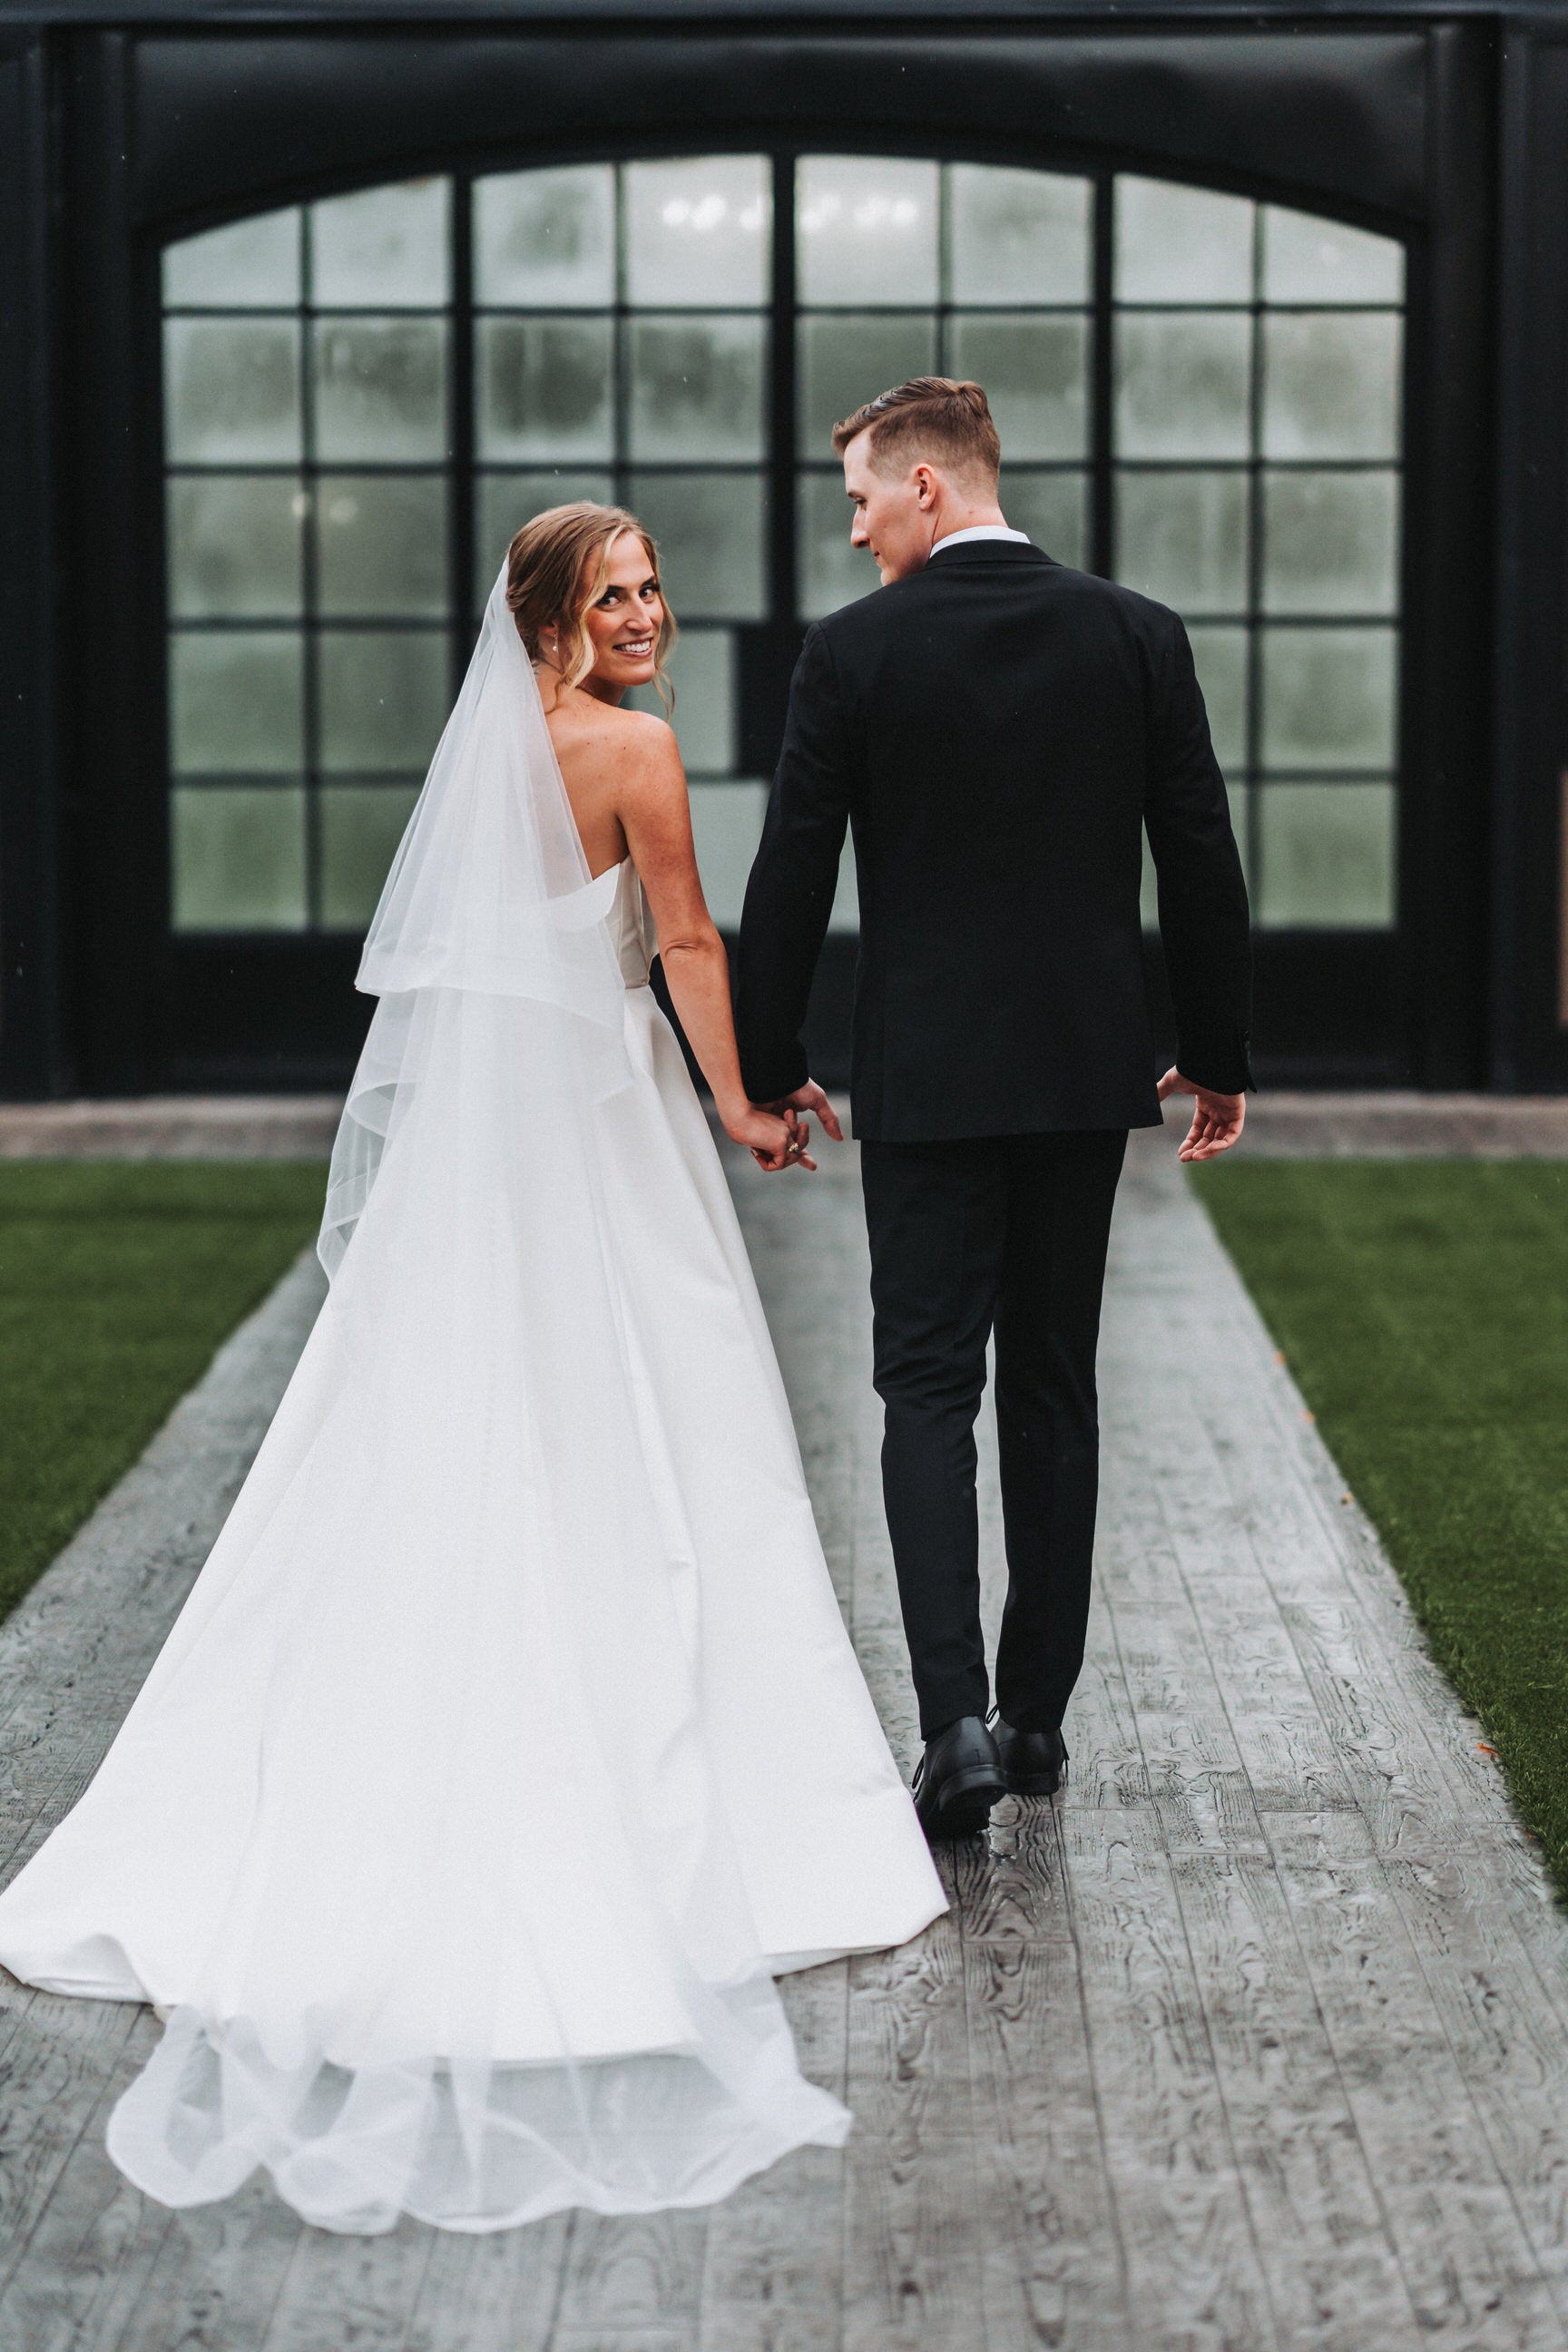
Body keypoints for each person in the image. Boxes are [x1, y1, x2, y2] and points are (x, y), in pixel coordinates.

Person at [0, 505, 945, 2236]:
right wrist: (744, 1103)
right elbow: (687, 949)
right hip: (603, 1137)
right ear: (559, 619)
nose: (651, 613)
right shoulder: (636, 756)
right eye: (618, 594)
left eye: (655, 586)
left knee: (424, 1429)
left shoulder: (482, 770)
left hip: (476, 1155)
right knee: (660, 1429)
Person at [736, 377, 1252, 1843]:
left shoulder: (852, 658)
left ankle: (951, 1727)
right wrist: (1214, 1052)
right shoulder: (1137, 637)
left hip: (927, 1084)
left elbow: (791, 875)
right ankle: (1036, 1721)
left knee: (924, 1390)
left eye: (858, 502)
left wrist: (766, 1064)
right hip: (1082, 1077)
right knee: (1052, 1385)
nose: (852, 535)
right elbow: (1200, 860)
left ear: (928, 489)